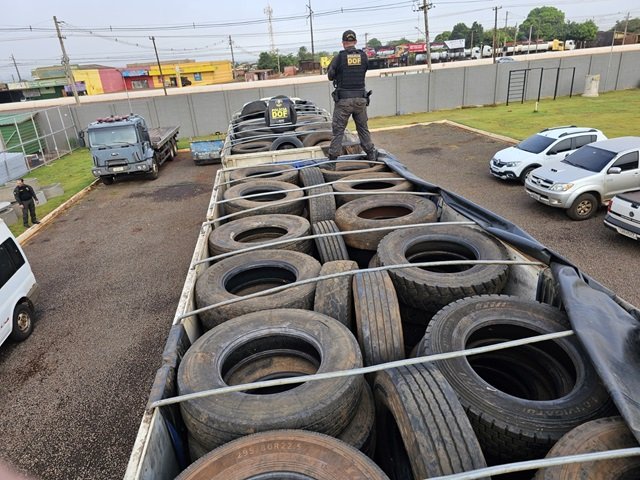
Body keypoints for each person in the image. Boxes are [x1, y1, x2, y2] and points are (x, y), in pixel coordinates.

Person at [327, 29, 377, 161]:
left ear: (343, 43)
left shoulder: (339, 58)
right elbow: (364, 70)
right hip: (360, 99)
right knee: (363, 129)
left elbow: (330, 76)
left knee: (338, 131)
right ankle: (371, 154)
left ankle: (332, 161)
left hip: (344, 101)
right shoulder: (364, 56)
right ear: (355, 41)